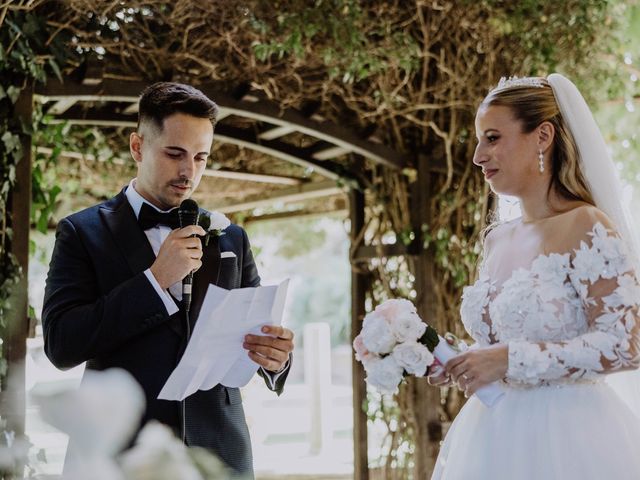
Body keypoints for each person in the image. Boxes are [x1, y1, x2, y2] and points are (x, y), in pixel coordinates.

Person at [42, 82, 294, 477]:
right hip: (120, 454)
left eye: (201, 157)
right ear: (138, 147)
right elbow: (61, 344)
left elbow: (252, 328)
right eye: (175, 154)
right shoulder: (81, 232)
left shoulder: (231, 237)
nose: (188, 172)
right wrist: (155, 280)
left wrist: (276, 359)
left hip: (220, 454)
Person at [428, 74, 640, 479]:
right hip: (491, 437)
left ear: (542, 136)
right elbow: (500, 339)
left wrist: (507, 359)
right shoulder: (497, 240)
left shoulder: (587, 226)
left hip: (570, 437)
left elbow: (625, 344)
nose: (477, 156)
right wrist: (463, 361)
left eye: (492, 138)